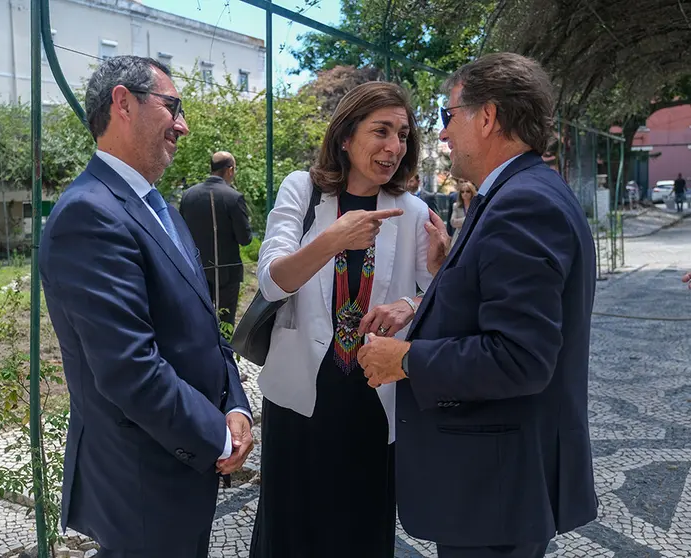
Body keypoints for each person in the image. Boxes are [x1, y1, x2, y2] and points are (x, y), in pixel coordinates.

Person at [358, 53, 598, 558]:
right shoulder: (523, 191)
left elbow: (520, 357)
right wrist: (444, 279)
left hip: (496, 488)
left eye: (448, 115)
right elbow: (493, 302)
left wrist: (404, 359)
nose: (442, 134)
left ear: (487, 117)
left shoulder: (522, 203)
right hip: (500, 483)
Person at [38, 56, 252, 558]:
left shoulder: (164, 212)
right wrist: (218, 438)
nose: (183, 125)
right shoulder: (88, 214)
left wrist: (235, 405)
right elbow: (130, 369)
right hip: (141, 478)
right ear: (123, 103)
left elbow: (204, 327)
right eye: (172, 106)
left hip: (183, 461)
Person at [250, 82, 434, 558]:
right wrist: (333, 239)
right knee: (292, 530)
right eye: (381, 131)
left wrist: (411, 304)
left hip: (372, 399)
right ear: (347, 136)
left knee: (360, 529)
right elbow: (272, 281)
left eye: (403, 135)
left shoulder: (412, 211)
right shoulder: (303, 190)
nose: (394, 147)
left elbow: (439, 291)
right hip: (299, 399)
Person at [180, 152, 253, 326]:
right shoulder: (233, 197)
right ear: (230, 170)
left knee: (198, 321)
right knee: (225, 324)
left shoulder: (188, 195)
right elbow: (245, 239)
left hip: (196, 270)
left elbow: (181, 233)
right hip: (227, 274)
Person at [449, 180, 477, 248]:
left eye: (468, 191)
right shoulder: (456, 206)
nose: (465, 193)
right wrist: (468, 219)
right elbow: (453, 222)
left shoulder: (477, 206)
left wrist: (460, 222)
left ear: (472, 192)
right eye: (462, 192)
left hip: (473, 236)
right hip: (459, 236)